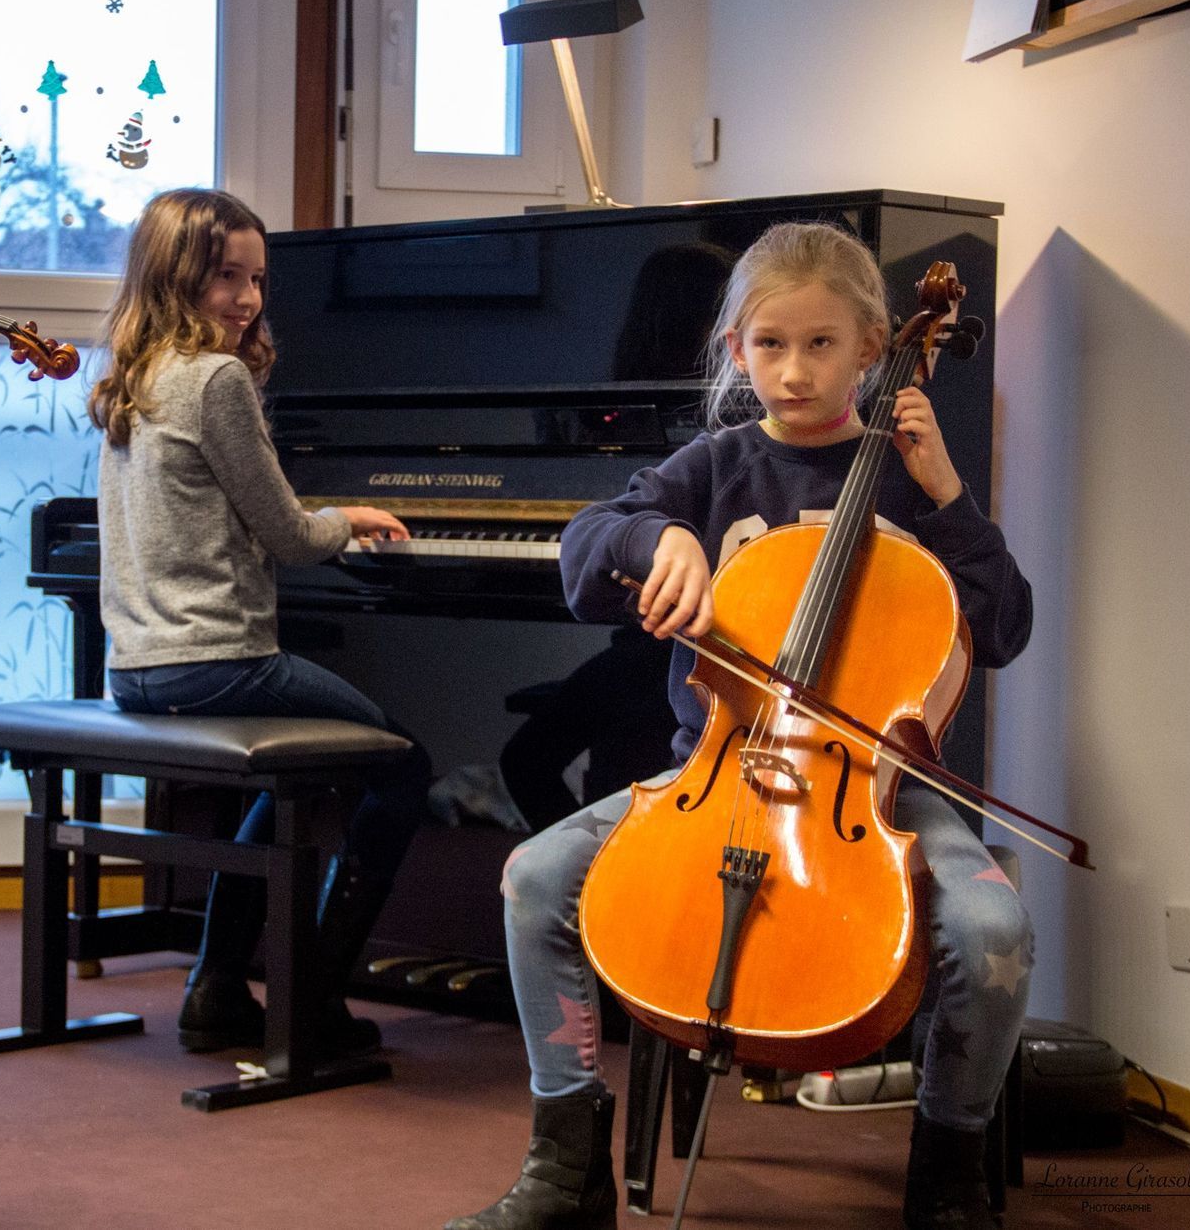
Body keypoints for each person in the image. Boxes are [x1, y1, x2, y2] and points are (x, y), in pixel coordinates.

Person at [446, 222, 1034, 1230]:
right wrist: (656, 531)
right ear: (735, 349)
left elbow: (1004, 626)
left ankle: (947, 1170)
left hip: (879, 792)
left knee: (994, 933)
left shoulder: (908, 480)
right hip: (710, 774)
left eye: (821, 345)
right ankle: (564, 1163)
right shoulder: (713, 468)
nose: (795, 371)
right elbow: (588, 553)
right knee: (533, 876)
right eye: (770, 344)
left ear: (874, 345)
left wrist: (946, 494)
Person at [90, 188, 431, 1058]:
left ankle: (214, 988)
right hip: (219, 660)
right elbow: (289, 535)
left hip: (136, 668)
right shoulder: (217, 379)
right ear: (176, 277)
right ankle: (314, 999)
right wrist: (348, 517)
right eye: (225, 277)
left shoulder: (136, 375)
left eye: (256, 280)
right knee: (403, 768)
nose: (245, 299)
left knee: (302, 777)